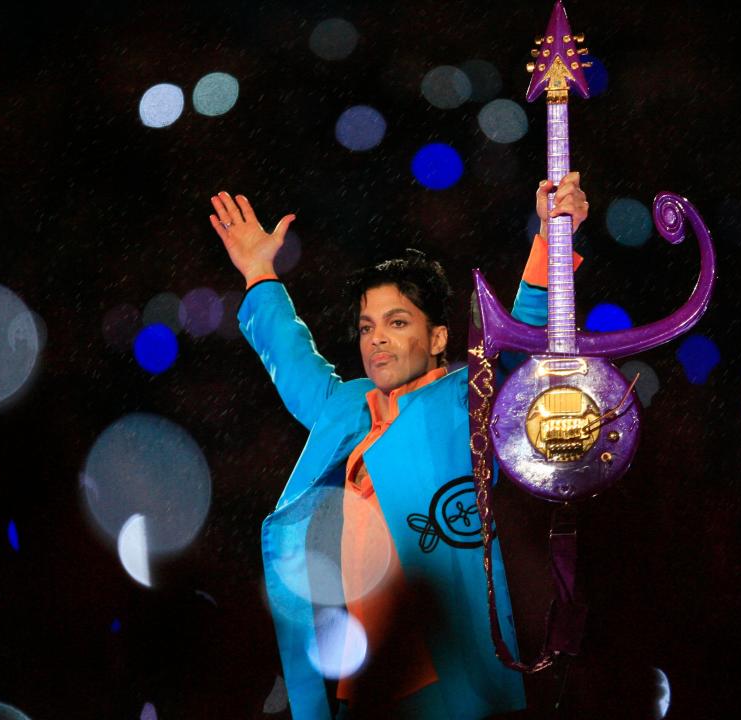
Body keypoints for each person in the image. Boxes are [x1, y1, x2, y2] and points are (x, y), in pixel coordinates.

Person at [209, 175, 588, 719]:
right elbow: (294, 361)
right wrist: (259, 274)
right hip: (361, 680)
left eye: (397, 322)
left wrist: (553, 241)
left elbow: (522, 338)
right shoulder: (349, 406)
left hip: (444, 668)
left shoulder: (467, 396)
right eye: (367, 327)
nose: (377, 338)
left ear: (437, 338)